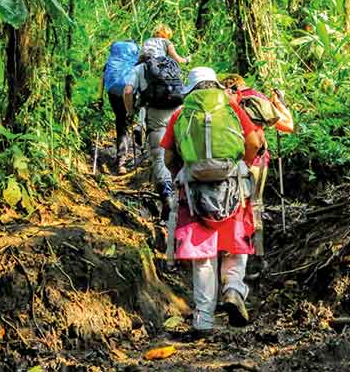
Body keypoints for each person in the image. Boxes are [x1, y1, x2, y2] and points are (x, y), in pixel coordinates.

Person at [162, 67, 266, 333]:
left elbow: (168, 158)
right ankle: (233, 289)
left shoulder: (180, 113)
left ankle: (204, 319)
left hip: (195, 193)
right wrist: (239, 165)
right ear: (215, 85)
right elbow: (254, 142)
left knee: (202, 257)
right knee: (236, 244)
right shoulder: (232, 108)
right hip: (233, 187)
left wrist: (184, 173)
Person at [220, 74, 294, 254]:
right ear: (242, 84)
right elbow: (288, 125)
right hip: (257, 161)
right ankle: (256, 252)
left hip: (231, 161)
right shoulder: (256, 97)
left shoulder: (221, 102)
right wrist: (278, 103)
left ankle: (231, 250)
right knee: (255, 205)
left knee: (232, 205)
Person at [122, 56, 184, 217]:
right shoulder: (171, 65)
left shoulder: (140, 69)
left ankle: (168, 197)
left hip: (156, 114)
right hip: (179, 110)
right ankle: (184, 197)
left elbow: (128, 91)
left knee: (160, 155)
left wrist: (130, 112)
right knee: (181, 153)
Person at [100, 40, 139, 174]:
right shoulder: (134, 62)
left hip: (113, 92)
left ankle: (121, 160)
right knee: (127, 121)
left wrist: (99, 98)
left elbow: (103, 78)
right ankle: (125, 159)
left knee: (120, 122)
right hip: (130, 92)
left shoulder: (111, 62)